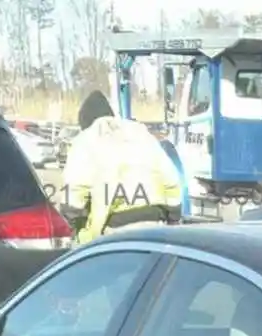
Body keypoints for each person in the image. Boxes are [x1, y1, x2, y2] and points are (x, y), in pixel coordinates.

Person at [64, 90, 184, 242]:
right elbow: (171, 178)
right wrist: (174, 218)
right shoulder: (140, 133)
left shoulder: (85, 140)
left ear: (85, 122)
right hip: (155, 221)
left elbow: (75, 189)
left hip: (116, 228)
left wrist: (72, 223)